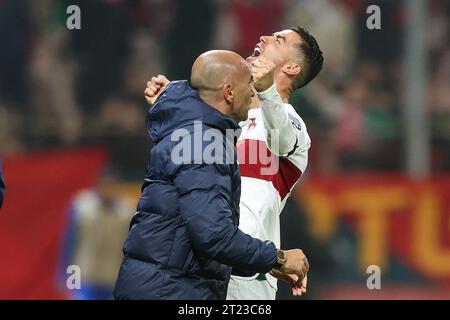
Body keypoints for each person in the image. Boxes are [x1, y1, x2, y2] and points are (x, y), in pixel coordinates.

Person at [114, 50, 309, 300]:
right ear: (228, 92)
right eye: (248, 84)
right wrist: (278, 258)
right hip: (169, 291)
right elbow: (213, 236)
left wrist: (266, 264)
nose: (253, 92)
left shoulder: (194, 132)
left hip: (163, 285)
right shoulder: (205, 143)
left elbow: (194, 239)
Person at [60, 167, 134, 300]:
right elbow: (70, 242)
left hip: (112, 277)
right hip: (85, 275)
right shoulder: (82, 206)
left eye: (112, 186)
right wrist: (65, 277)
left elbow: (132, 248)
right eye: (105, 185)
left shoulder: (127, 212)